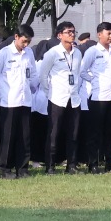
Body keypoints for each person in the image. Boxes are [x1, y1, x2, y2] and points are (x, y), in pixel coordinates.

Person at [0, 25, 39, 179]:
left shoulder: (29, 53)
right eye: (24, 41)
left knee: (24, 137)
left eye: (28, 42)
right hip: (9, 102)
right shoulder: (4, 53)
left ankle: (22, 168)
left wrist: (32, 88)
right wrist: (2, 88)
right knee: (8, 137)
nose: (26, 45)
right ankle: (5, 169)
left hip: (25, 101)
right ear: (16, 37)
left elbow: (33, 74)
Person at [38, 21, 80, 174]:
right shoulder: (52, 53)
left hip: (74, 99)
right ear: (59, 35)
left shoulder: (78, 53)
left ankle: (71, 165)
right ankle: (50, 166)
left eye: (73, 31)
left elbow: (77, 73)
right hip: (57, 98)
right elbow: (43, 76)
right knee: (53, 134)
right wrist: (49, 92)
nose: (72, 34)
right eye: (68, 32)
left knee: (73, 134)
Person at [77, 23, 111, 173]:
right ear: (99, 34)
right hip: (98, 97)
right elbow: (82, 71)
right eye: (108, 33)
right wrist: (94, 80)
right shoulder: (93, 51)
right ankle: (93, 163)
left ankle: (110, 162)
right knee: (95, 133)